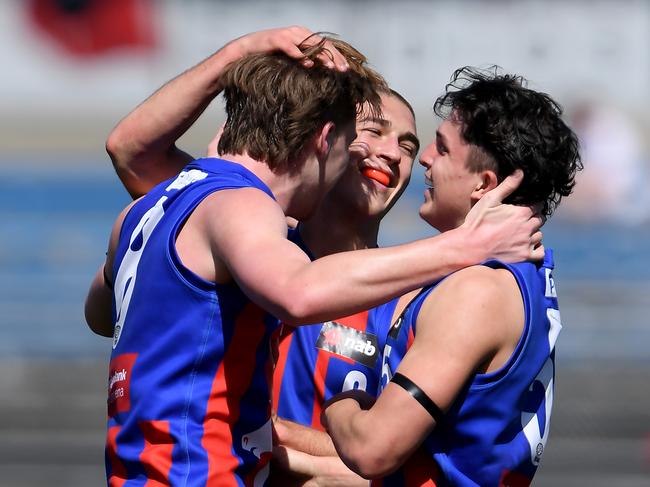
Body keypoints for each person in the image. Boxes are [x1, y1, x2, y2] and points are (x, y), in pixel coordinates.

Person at [86, 27, 542, 486]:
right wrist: (466, 245)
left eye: (407, 144)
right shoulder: (240, 213)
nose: (389, 154)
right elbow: (298, 293)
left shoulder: (156, 209)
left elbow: (101, 312)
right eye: (362, 137)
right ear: (326, 140)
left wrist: (238, 55)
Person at [322, 66, 582, 486]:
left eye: (442, 150)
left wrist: (343, 404)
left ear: (484, 184)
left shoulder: (478, 291)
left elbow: (373, 448)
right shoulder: (516, 277)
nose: (423, 157)